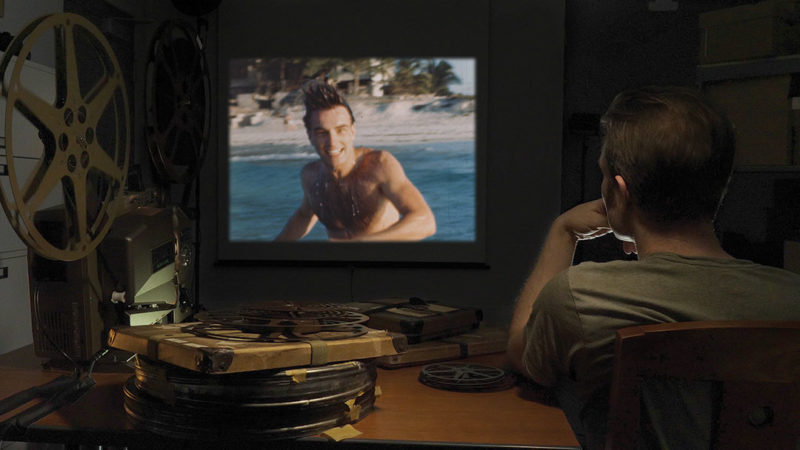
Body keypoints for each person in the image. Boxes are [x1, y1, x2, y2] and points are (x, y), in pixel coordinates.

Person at [505, 86, 800, 449]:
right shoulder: (792, 298)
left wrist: (562, 233)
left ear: (619, 192)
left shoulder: (581, 297)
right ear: (721, 186)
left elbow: (521, 353)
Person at [275, 81, 436, 241]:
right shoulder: (310, 176)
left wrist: (361, 245)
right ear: (310, 136)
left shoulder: (379, 165)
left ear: (352, 131)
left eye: (341, 130)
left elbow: (426, 222)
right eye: (322, 132)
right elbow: (304, 216)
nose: (333, 141)